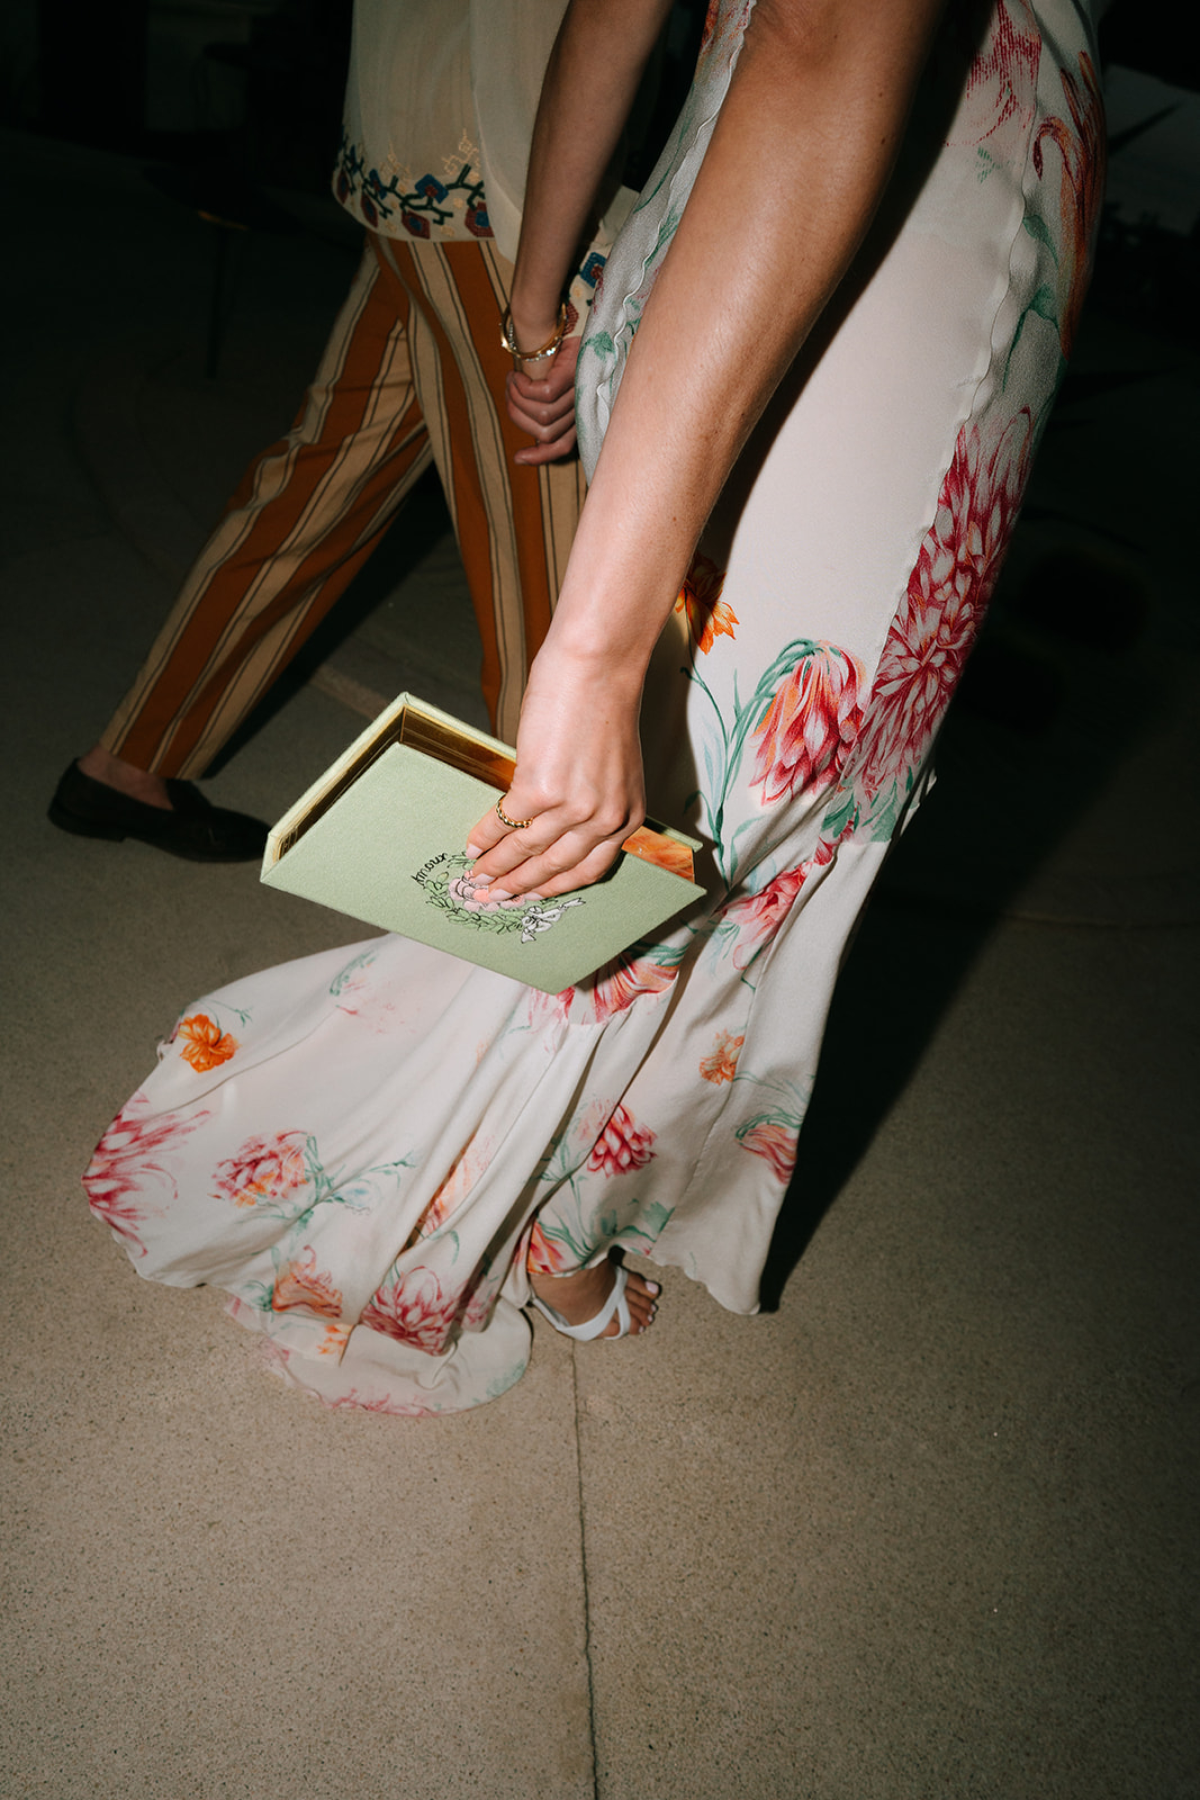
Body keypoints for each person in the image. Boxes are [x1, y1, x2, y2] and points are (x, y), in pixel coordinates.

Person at [83, 0, 1105, 1414]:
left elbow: (614, 11)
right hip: (893, 309)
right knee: (757, 812)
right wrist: (594, 653)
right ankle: (555, 1213)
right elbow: (825, 34)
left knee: (695, 795)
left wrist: (536, 308)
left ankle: (549, 1177)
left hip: (701, 254)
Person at [48, 0, 634, 862]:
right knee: (542, 553)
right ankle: (543, 861)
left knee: (316, 486)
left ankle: (127, 762)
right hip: (499, 190)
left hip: (400, 159)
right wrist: (540, 309)